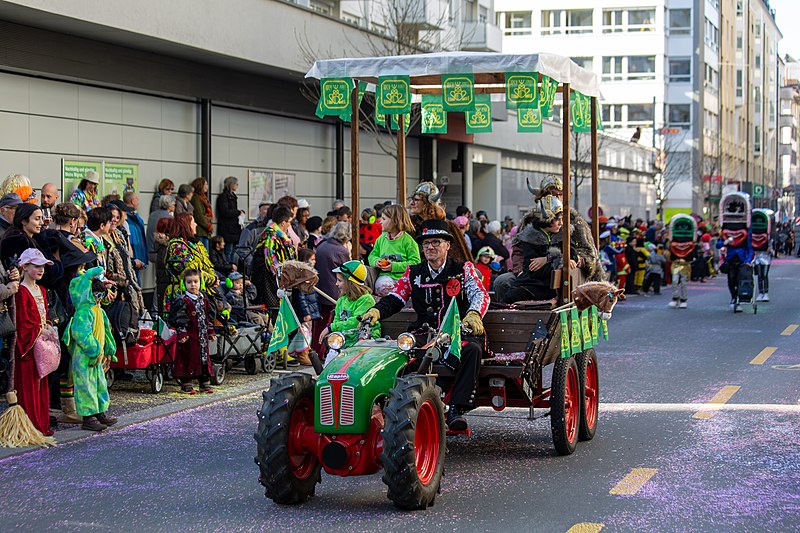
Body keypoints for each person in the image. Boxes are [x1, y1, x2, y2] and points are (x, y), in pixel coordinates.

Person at [362, 219, 490, 431]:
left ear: (448, 245)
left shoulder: (463, 269)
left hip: (458, 333)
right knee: (401, 352)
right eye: (426, 243)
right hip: (424, 333)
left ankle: (457, 409)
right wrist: (376, 310)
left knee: (472, 351)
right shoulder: (413, 272)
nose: (430, 247)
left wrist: (474, 314)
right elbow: (396, 297)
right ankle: (396, 405)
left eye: (436, 242)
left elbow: (480, 294)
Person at [64, 266, 118, 431]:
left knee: (99, 383)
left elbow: (106, 331)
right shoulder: (83, 312)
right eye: (96, 295)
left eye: (102, 295)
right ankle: (88, 416)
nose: (99, 299)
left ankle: (100, 411)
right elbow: (81, 334)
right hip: (85, 355)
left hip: (97, 355)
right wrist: (95, 350)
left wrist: (109, 349)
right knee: (85, 385)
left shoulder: (98, 310)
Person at [502, 196, 575, 304]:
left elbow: (573, 255)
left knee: (511, 296)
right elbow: (534, 269)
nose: (561, 223)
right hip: (534, 283)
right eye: (557, 220)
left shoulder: (563, 234)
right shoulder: (530, 238)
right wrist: (558, 261)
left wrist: (547, 259)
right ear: (547, 220)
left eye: (561, 219)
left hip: (550, 287)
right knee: (507, 292)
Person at [13, 248, 54, 437]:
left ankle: (41, 423)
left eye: (43, 266)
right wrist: (40, 329)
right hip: (29, 346)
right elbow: (22, 323)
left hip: (40, 344)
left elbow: (43, 315)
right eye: (36, 266)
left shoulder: (41, 290)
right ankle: (31, 425)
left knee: (41, 381)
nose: (41, 270)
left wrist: (47, 326)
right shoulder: (22, 292)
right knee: (29, 384)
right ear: (25, 266)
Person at [319, 260, 380, 366]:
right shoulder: (342, 300)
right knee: (330, 362)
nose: (336, 284)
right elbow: (337, 319)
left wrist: (330, 327)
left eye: (340, 280)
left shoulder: (366, 300)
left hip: (364, 342)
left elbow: (357, 321)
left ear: (350, 282)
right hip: (344, 342)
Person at [168, 269, 217, 394]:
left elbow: (208, 318)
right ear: (185, 284)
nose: (193, 285)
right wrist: (182, 332)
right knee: (187, 357)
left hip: (202, 336)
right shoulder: (183, 301)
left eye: (195, 281)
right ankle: (186, 383)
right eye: (189, 282)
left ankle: (204, 382)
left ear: (200, 282)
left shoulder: (204, 299)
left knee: (203, 357)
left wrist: (211, 331)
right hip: (189, 336)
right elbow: (180, 318)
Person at [163, 213, 218, 313]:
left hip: (199, 293)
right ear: (186, 225)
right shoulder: (177, 246)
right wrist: (213, 279)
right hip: (183, 297)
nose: (196, 224)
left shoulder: (196, 244)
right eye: (193, 222)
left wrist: (214, 277)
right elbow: (190, 273)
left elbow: (207, 266)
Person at [311, 221, 351, 357]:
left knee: (319, 323)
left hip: (319, 287)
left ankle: (316, 350)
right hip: (333, 290)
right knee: (331, 323)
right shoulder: (342, 251)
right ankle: (324, 351)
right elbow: (348, 270)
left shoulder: (322, 245)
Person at [0, 203, 61, 290]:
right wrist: (56, 262)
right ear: (24, 221)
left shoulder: (36, 238)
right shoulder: (18, 241)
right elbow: (44, 274)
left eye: (41, 218)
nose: (41, 222)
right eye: (37, 219)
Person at [408, 182, 471, 263]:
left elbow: (457, 257)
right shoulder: (411, 225)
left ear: (427, 203)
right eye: (411, 199)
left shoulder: (448, 226)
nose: (411, 203)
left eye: (416, 200)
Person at [367, 204, 420, 297]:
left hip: (405, 279)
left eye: (384, 219)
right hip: (385, 278)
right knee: (382, 286)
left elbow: (416, 263)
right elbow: (372, 255)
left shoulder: (408, 241)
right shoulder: (381, 239)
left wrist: (394, 266)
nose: (380, 222)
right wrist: (376, 262)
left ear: (395, 221)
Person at [251, 205, 297, 310]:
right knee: (275, 311)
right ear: (283, 223)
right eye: (289, 222)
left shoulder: (281, 236)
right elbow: (271, 262)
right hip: (269, 281)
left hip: (277, 281)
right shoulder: (271, 237)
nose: (290, 225)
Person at [103, 203, 145, 319]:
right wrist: (119, 281)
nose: (114, 220)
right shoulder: (102, 238)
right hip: (113, 286)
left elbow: (126, 258)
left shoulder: (119, 235)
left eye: (117, 217)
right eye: (112, 217)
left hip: (127, 285)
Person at [235, 202, 270, 275]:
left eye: (269, 209)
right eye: (265, 209)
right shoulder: (250, 229)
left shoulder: (273, 228)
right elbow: (242, 249)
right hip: (255, 271)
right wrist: (253, 264)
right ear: (260, 211)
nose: (267, 212)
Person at [216, 176, 244, 262]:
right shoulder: (224, 197)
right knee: (228, 250)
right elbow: (225, 212)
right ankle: (229, 268)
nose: (237, 186)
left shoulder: (232, 196)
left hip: (233, 228)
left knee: (233, 251)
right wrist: (238, 212)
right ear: (231, 184)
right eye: (236, 184)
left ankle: (232, 267)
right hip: (227, 228)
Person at [122, 192, 148, 278]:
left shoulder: (134, 217)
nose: (138, 201)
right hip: (134, 258)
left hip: (136, 258)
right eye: (137, 199)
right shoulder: (129, 220)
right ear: (132, 201)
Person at [146, 194, 175, 261]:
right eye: (174, 204)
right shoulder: (169, 218)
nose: (174, 206)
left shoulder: (152, 214)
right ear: (169, 206)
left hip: (150, 249)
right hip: (161, 252)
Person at [189, 177, 213, 250]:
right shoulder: (196, 198)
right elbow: (198, 215)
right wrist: (208, 226)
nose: (207, 186)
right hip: (200, 231)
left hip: (204, 231)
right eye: (205, 184)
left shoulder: (203, 197)